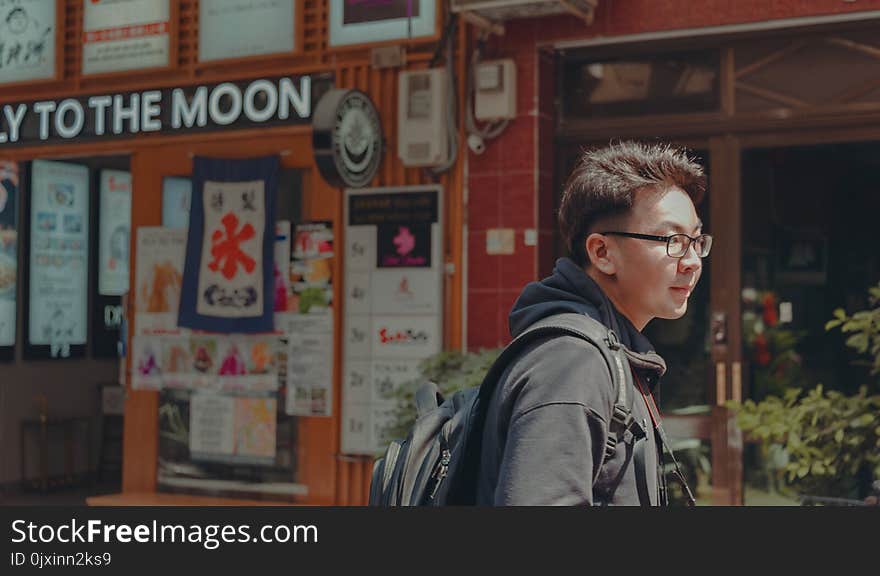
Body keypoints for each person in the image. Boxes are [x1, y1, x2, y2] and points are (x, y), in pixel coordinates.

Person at [476, 141, 711, 505]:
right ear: (602, 253)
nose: (692, 260)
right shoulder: (571, 363)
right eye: (673, 240)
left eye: (696, 240)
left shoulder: (608, 349)